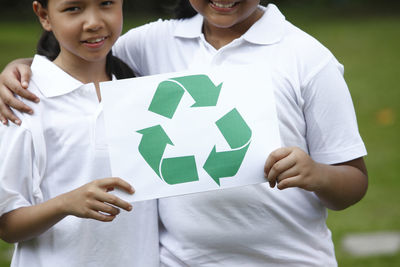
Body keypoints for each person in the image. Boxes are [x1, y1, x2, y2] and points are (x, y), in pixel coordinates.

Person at [0, 0, 368, 266]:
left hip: (288, 259)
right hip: (179, 260)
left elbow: (353, 182)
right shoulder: (151, 44)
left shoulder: (307, 57)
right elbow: (79, 60)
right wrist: (19, 69)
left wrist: (316, 174)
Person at [0, 1, 159, 266]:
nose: (94, 22)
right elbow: (7, 225)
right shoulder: (22, 102)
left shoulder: (142, 88)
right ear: (44, 15)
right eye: (74, 8)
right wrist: (66, 203)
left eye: (106, 3)